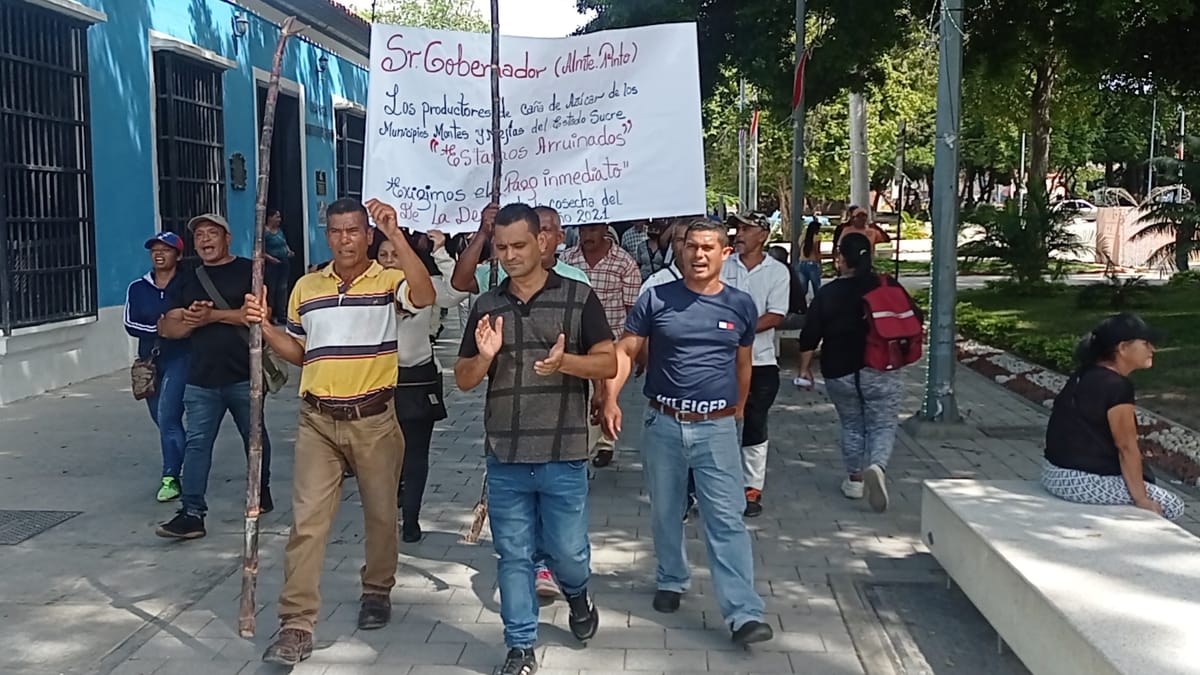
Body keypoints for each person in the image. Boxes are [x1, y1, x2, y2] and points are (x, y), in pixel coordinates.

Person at [251, 198, 436, 665]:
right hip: (317, 419)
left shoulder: (389, 282)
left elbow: (426, 296)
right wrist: (266, 326)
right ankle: (296, 623)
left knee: (379, 514)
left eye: (354, 231)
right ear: (327, 234)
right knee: (307, 523)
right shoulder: (307, 287)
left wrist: (396, 233)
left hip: (374, 419)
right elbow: (301, 352)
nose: (344, 240)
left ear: (367, 235)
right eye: (336, 231)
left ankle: (377, 588)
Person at [455, 203, 614, 675]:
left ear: (543, 243)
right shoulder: (486, 305)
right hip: (505, 452)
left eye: (519, 245)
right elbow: (463, 378)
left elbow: (608, 362)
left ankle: (578, 593)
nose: (509, 255)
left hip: (563, 452)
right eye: (501, 247)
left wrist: (568, 363)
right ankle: (520, 647)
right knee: (514, 554)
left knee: (568, 552)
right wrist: (484, 357)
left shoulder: (578, 298)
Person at [602, 219, 774, 648]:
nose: (699, 255)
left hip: (715, 427)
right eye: (692, 247)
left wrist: (734, 412)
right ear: (680, 251)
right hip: (663, 423)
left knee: (726, 519)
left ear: (724, 254)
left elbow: (743, 364)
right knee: (666, 510)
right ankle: (671, 578)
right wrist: (610, 398)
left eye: (708, 248)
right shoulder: (656, 298)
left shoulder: (740, 305)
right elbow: (626, 350)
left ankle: (743, 613)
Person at [155, 214, 275, 539]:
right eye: (199, 236)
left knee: (254, 439)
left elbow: (260, 316)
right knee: (197, 444)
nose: (205, 240)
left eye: (212, 233)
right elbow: (167, 326)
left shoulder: (250, 270)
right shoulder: (188, 278)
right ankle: (192, 512)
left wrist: (213, 316)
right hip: (201, 378)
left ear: (227, 238)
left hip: (243, 376)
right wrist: (192, 320)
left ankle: (260, 489)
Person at [796, 233, 918, 512]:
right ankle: (877, 465)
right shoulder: (887, 285)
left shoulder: (829, 292)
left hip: (839, 371)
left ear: (840, 259)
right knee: (883, 423)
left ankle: (854, 480)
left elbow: (810, 333)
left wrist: (804, 369)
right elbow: (914, 317)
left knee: (852, 424)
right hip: (882, 367)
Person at [1042, 314, 1183, 520]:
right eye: (1145, 343)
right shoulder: (1116, 386)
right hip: (1078, 481)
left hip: (1053, 472)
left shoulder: (1086, 373)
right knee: (1172, 505)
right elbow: (1126, 447)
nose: (1152, 349)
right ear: (1123, 348)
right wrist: (1141, 499)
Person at [378, 228, 469, 543]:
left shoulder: (425, 286)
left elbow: (457, 292)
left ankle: (412, 518)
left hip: (417, 379)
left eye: (396, 254)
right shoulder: (367, 289)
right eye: (384, 255)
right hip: (378, 383)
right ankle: (386, 515)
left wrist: (441, 252)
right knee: (383, 457)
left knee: (415, 454)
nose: (391, 261)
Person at [724, 213, 791, 518]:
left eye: (746, 229)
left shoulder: (777, 272)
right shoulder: (723, 266)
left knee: (755, 420)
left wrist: (740, 330)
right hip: (720, 359)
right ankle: (714, 485)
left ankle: (751, 487)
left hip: (761, 361)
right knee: (717, 421)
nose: (739, 234)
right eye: (737, 228)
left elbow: (776, 315)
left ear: (763, 235)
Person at [561, 223, 641, 469]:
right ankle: (584, 446)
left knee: (607, 394)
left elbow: (632, 309)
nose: (587, 236)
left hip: (612, 340)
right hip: (576, 341)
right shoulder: (567, 259)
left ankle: (605, 441)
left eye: (592, 230)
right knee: (581, 397)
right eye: (583, 231)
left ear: (605, 230)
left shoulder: (624, 262)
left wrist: (634, 348)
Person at [124, 231, 190, 502]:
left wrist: (176, 327)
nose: (159, 254)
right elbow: (130, 323)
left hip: (182, 357)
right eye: (155, 250)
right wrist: (162, 327)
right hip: (150, 362)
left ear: (178, 255)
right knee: (162, 420)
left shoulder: (187, 284)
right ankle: (187, 461)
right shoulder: (138, 288)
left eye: (166, 249)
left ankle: (170, 477)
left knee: (167, 416)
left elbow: (191, 319)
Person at [264, 209, 295, 324]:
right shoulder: (264, 232)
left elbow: (284, 243)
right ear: (270, 218)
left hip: (283, 262)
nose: (279, 219)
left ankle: (282, 315)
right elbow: (260, 250)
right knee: (271, 289)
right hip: (272, 264)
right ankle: (271, 315)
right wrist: (271, 259)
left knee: (283, 288)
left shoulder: (279, 231)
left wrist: (288, 251)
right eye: (277, 217)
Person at [796, 217, 824, 298]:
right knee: (816, 287)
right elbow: (817, 252)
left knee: (802, 288)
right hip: (813, 263)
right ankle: (818, 306)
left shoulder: (802, 237)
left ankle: (800, 305)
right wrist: (820, 264)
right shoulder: (817, 238)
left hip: (801, 263)